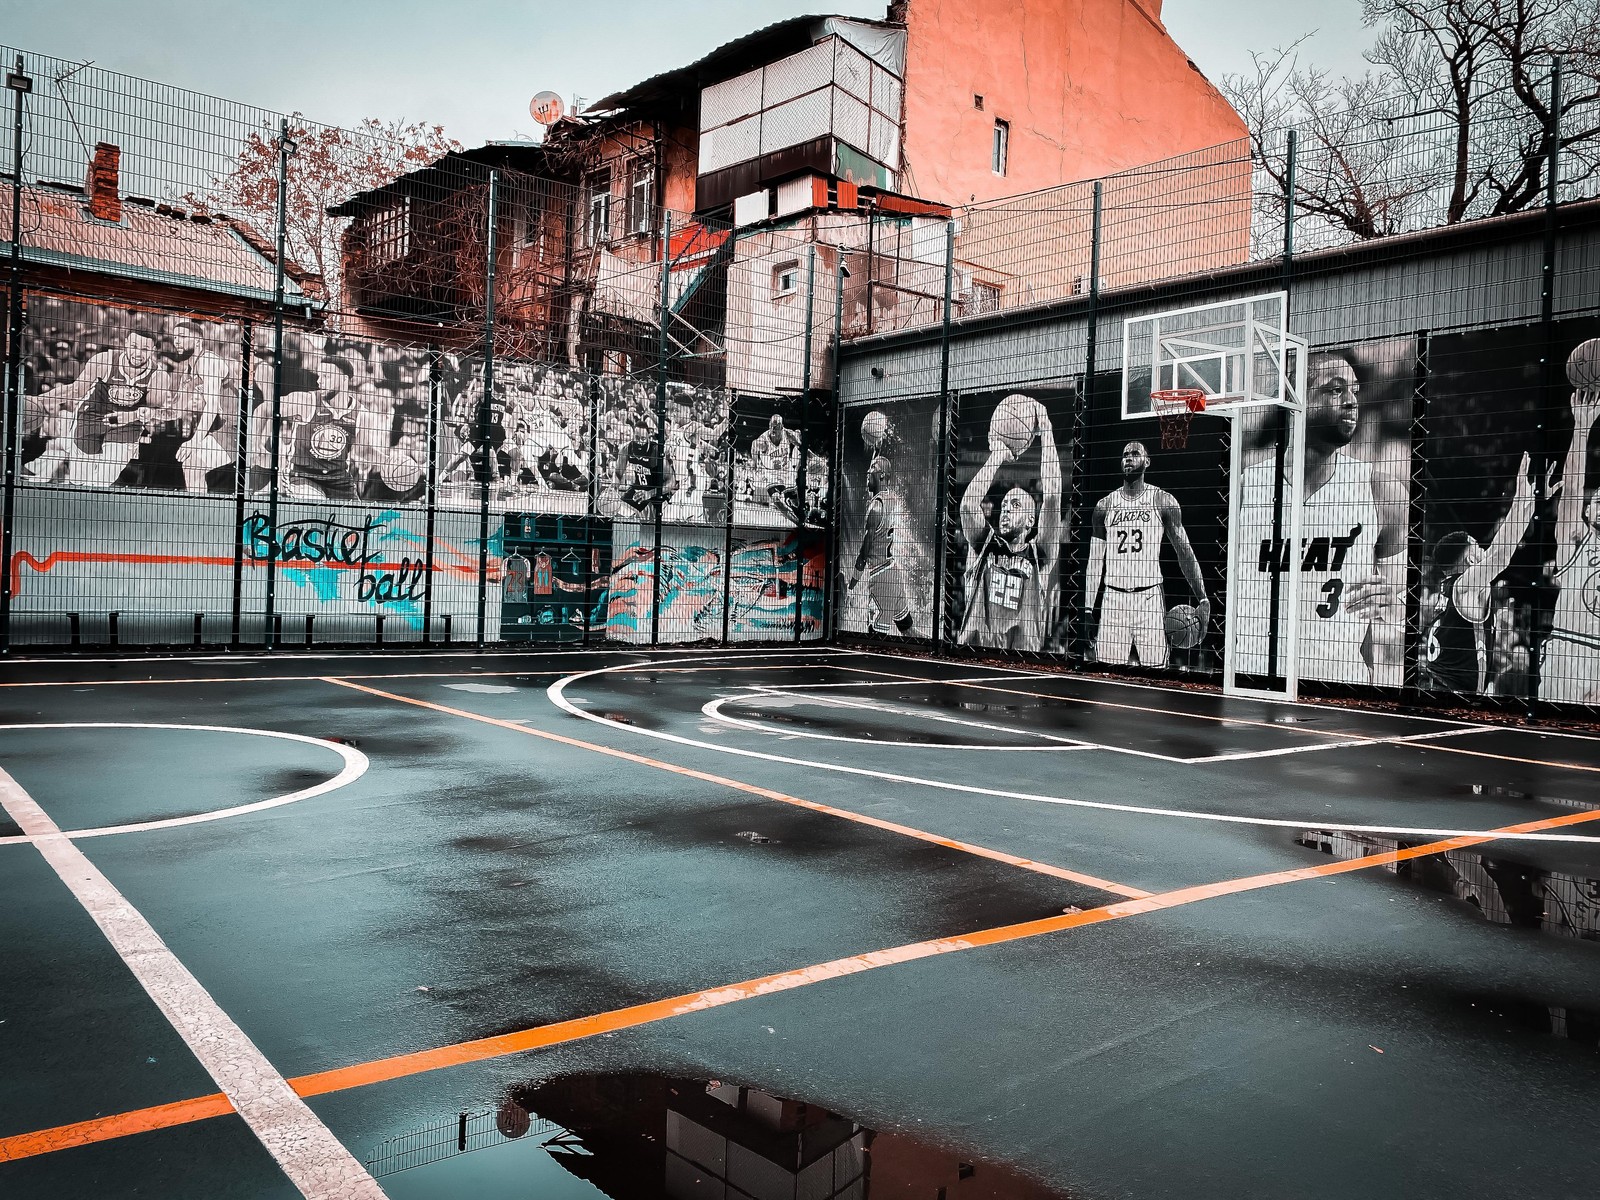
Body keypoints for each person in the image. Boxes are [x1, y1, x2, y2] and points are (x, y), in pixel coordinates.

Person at [1234, 351, 1407, 684]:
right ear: (1297, 399)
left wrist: (1391, 598)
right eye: (1336, 389)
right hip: (1253, 678)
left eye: (1355, 390)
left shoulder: (1381, 490)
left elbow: (1400, 599)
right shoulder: (1247, 485)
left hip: (1340, 683)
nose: (1351, 401)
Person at [1423, 453, 1543, 694]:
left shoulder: (1449, 588)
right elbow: (1500, 556)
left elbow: (1500, 551)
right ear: (1469, 558)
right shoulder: (1464, 586)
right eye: (1478, 547)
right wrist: (1520, 500)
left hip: (1440, 687)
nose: (1483, 551)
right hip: (1449, 693)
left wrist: (1529, 504)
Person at [1086, 440, 1207, 667]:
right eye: (1124, 455)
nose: (1128, 458)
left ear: (1147, 461)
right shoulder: (1104, 506)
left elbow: (1184, 551)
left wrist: (1202, 597)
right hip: (1113, 599)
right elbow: (1095, 561)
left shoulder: (1163, 501)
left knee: (1157, 673)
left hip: (1149, 598)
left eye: (1134, 454)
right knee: (1106, 676)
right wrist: (1087, 608)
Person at [956, 395, 1062, 651]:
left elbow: (1053, 497)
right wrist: (997, 456)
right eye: (1003, 506)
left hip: (1022, 660)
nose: (1005, 511)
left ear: (1030, 520)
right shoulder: (985, 545)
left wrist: (1046, 429)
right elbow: (969, 506)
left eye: (1015, 505)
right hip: (974, 653)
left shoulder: (1040, 554)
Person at [49, 328, 179, 487]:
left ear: (153, 351)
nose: (138, 353)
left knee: (103, 479)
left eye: (145, 349)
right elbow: (75, 390)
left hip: (127, 424)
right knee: (78, 480)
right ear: (125, 344)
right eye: (134, 346)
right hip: (92, 415)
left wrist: (141, 414)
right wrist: (42, 401)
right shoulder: (104, 360)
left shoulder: (159, 376)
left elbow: (166, 412)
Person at [1540, 388, 1600, 703]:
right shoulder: (1576, 537)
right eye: (1598, 498)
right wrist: (1582, 428)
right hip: (1569, 649)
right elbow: (1574, 487)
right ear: (1588, 512)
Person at [845, 453, 915, 635]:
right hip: (893, 573)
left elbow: (864, 552)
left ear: (882, 475)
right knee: (909, 632)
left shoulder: (875, 508)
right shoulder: (892, 499)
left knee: (874, 638)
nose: (868, 471)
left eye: (873, 468)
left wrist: (852, 584)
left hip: (881, 577)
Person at [169, 321, 236, 493]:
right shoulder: (189, 370)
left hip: (238, 427)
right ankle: (198, 510)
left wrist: (194, 442)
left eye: (183, 336)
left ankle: (197, 514)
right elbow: (175, 409)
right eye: (175, 337)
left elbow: (212, 406)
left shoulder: (208, 361)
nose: (177, 341)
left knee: (193, 464)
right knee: (192, 465)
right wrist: (140, 413)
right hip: (225, 427)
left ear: (198, 341)